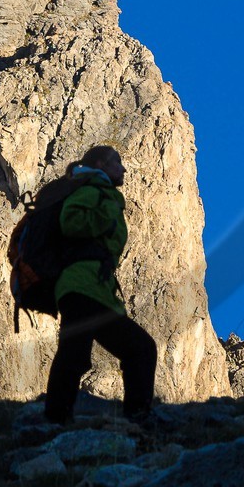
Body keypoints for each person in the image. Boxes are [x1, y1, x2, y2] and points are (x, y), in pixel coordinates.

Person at [43, 144, 158, 425]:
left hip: (95, 288)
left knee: (139, 348)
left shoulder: (101, 192)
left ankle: (137, 418)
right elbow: (71, 223)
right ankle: (56, 419)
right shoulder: (89, 189)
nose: (124, 169)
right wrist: (105, 218)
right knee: (76, 353)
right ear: (101, 164)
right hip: (81, 286)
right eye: (117, 162)